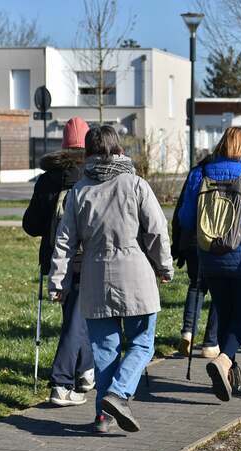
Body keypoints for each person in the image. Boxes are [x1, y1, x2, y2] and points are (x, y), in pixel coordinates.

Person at [48, 125, 173, 434]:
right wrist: (164, 266)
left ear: (87, 153)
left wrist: (58, 283)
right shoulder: (136, 184)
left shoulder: (79, 191)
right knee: (142, 344)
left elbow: (64, 241)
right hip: (136, 276)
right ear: (119, 148)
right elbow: (157, 230)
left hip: (95, 278)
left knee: (105, 352)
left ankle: (103, 416)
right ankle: (118, 393)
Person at [178, 127, 241, 402]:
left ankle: (228, 373)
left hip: (209, 257)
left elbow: (186, 219)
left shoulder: (200, 174)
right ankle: (224, 361)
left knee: (223, 312)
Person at [22, 117, 94, 407]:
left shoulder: (48, 179)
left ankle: (85, 370)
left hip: (56, 257)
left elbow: (31, 225)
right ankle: (61, 383)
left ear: (63, 144)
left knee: (76, 316)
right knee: (79, 318)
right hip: (86, 258)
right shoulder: (93, 175)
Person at [172, 155, 220, 359]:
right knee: (219, 290)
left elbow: (181, 210)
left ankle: (188, 332)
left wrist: (177, 243)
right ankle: (210, 342)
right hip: (216, 238)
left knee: (196, 285)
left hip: (192, 237)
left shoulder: (195, 173)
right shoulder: (226, 173)